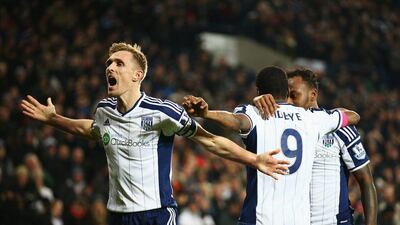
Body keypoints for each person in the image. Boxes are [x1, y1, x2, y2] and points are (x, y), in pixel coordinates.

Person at [20, 42, 290, 225]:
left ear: (137, 75)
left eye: (118, 64)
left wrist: (254, 160)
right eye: (109, 63)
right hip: (117, 215)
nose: (109, 68)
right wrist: (53, 119)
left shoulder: (164, 113)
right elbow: (90, 129)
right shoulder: (104, 110)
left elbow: (210, 140)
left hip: (156, 215)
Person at [182, 66, 360, 225]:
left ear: (259, 91)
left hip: (258, 218)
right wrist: (327, 116)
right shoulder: (313, 119)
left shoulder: (255, 113)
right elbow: (353, 116)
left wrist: (207, 113)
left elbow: (236, 121)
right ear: (286, 91)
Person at [252, 68, 378, 225]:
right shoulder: (278, 127)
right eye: (286, 96)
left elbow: (366, 180)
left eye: (294, 95)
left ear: (313, 95)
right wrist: (257, 102)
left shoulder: (338, 127)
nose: (288, 102)